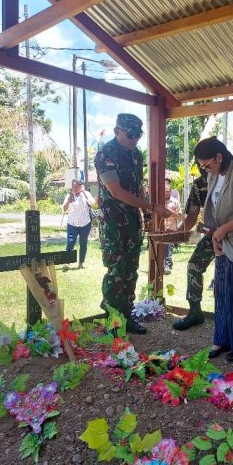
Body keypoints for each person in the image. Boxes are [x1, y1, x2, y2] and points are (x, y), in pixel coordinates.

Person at [95, 113, 172, 335]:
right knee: (116, 271)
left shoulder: (136, 155)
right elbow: (116, 191)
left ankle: (127, 317)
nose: (135, 139)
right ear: (117, 130)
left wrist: (146, 215)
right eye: (131, 135)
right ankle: (113, 320)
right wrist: (151, 208)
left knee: (131, 270)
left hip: (132, 222)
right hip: (113, 222)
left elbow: (138, 187)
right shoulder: (106, 154)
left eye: (138, 135)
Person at [194, 136, 233, 362]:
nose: (206, 170)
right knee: (221, 292)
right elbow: (212, 208)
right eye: (203, 166)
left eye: (208, 164)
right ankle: (222, 338)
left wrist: (224, 230)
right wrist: (215, 235)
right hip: (221, 240)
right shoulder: (214, 174)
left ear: (219, 157)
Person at [173, 166, 212, 331]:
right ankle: (195, 311)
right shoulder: (199, 184)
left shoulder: (232, 178)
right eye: (202, 165)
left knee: (231, 276)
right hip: (213, 235)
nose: (206, 168)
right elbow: (192, 216)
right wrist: (177, 234)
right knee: (194, 265)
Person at [61, 179, 94, 269]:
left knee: (83, 243)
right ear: (71, 187)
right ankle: (67, 262)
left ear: (81, 187)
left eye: (77, 187)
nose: (75, 189)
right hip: (72, 224)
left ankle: (81, 263)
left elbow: (92, 203)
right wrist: (68, 201)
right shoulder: (68, 196)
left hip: (85, 224)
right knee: (70, 242)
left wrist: (84, 193)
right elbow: (64, 208)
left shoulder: (86, 194)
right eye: (73, 187)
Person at [163, 178, 182, 275]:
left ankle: (167, 265)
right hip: (160, 228)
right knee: (162, 247)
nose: (166, 193)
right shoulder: (160, 202)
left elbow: (180, 215)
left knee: (168, 247)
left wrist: (171, 212)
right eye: (164, 191)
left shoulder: (175, 202)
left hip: (171, 227)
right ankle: (164, 264)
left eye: (167, 191)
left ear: (170, 191)